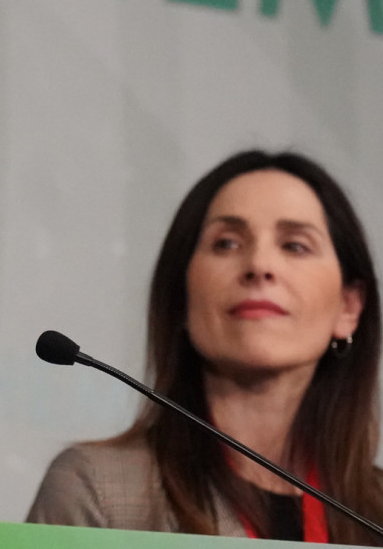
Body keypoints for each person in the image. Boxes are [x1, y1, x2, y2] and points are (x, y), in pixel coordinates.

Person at [27, 149, 383, 545]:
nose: (259, 265)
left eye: (295, 245)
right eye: (227, 243)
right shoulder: (98, 491)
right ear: (181, 296)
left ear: (349, 308)